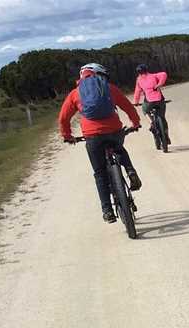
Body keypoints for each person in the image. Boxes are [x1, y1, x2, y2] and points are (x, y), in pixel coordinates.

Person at [59, 63, 142, 223]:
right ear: (99, 75)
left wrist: (67, 135)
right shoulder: (109, 88)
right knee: (119, 148)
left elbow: (63, 118)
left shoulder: (75, 94)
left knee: (100, 173)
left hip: (92, 135)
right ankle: (130, 170)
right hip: (114, 130)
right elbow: (127, 106)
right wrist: (135, 123)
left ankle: (107, 211)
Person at [133, 64, 170, 149]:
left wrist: (136, 102)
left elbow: (137, 92)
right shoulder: (154, 76)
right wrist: (159, 84)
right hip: (160, 100)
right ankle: (166, 136)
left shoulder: (139, 80)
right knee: (163, 118)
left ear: (138, 72)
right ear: (147, 70)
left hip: (149, 102)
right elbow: (164, 74)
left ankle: (151, 123)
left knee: (145, 110)